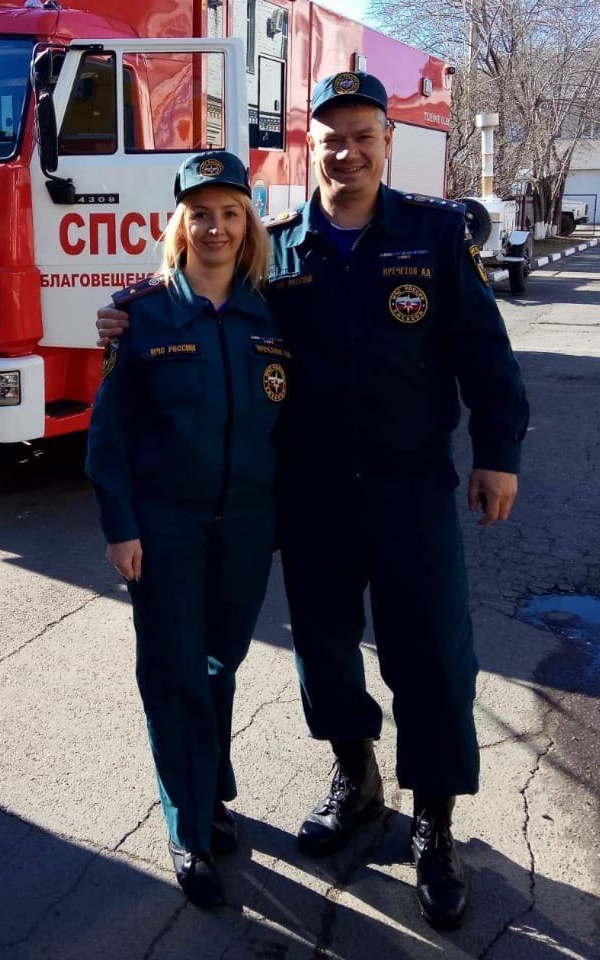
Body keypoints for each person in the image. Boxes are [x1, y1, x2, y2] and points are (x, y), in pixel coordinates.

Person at [97, 72, 529, 930]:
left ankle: (434, 824)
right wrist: (131, 307)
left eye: (363, 134)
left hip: (411, 490)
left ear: (385, 144)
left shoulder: (436, 237)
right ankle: (356, 777)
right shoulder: (282, 253)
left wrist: (499, 456)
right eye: (332, 138)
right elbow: (204, 304)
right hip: (314, 497)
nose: (348, 150)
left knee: (432, 657)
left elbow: (488, 356)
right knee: (323, 652)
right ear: (313, 149)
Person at [86, 150, 289, 909]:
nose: (215, 226)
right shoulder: (138, 315)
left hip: (245, 526)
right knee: (173, 673)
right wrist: (120, 524)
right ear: (180, 224)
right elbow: (109, 434)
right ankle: (187, 826)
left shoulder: (271, 314)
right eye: (200, 213)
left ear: (248, 226)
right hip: (165, 527)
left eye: (230, 213)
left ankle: (211, 794)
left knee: (221, 664)